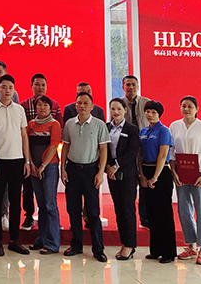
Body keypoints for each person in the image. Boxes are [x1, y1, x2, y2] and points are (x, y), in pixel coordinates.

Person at [0, 74, 32, 256]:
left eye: (10, 87)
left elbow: (24, 136)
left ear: (14, 90)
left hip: (17, 161)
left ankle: (14, 240)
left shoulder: (19, 110)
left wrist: (27, 161)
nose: (7, 90)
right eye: (4, 87)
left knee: (15, 203)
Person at [60, 92, 110, 262]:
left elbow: (103, 150)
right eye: (79, 103)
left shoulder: (99, 125)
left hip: (91, 171)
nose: (82, 106)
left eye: (85, 103)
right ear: (75, 105)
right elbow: (65, 147)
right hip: (73, 170)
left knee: (93, 211)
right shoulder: (69, 124)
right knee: (73, 209)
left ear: (92, 106)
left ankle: (98, 249)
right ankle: (76, 245)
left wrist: (100, 172)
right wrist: (63, 169)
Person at [169, 96, 201, 266]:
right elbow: (171, 151)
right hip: (181, 175)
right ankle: (191, 246)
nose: (186, 109)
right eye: (183, 106)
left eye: (190, 106)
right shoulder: (174, 126)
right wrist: (174, 172)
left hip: (199, 174)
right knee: (184, 210)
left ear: (196, 109)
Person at [19, 73, 62, 231]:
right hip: (31, 160)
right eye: (37, 84)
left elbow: (56, 139)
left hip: (48, 163)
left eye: (43, 84)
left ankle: (53, 230)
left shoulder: (55, 107)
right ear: (31, 86)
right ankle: (30, 218)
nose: (40, 87)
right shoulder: (24, 105)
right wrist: (29, 161)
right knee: (30, 191)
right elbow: (24, 134)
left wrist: (43, 165)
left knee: (49, 201)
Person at [139, 100, 176, 263]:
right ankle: (155, 250)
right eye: (148, 111)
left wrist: (154, 177)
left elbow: (162, 155)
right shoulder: (143, 131)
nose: (150, 114)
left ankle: (168, 252)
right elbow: (139, 154)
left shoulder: (163, 130)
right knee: (151, 213)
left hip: (160, 173)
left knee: (164, 213)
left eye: (153, 112)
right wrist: (142, 175)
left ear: (159, 114)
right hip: (145, 171)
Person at [105, 98, 140, 261]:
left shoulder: (132, 129)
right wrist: (107, 166)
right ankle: (123, 242)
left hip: (127, 174)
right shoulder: (106, 127)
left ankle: (130, 244)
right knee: (118, 209)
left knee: (127, 209)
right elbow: (103, 149)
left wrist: (116, 165)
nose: (116, 112)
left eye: (119, 109)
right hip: (112, 174)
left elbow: (132, 152)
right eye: (113, 109)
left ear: (125, 110)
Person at [27, 95, 62, 255]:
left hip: (49, 168)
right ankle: (42, 238)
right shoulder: (31, 125)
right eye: (39, 105)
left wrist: (42, 166)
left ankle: (53, 243)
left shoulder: (54, 124)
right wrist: (31, 164)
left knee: (50, 204)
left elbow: (54, 146)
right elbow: (27, 145)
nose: (42, 107)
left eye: (45, 105)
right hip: (35, 168)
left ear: (50, 108)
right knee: (41, 204)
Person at [121, 75, 151, 229]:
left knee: (145, 182)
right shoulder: (119, 104)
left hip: (145, 147)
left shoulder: (146, 102)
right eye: (128, 85)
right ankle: (129, 219)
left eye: (133, 84)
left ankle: (145, 218)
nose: (131, 87)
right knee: (129, 184)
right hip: (127, 149)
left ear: (138, 86)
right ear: (123, 87)